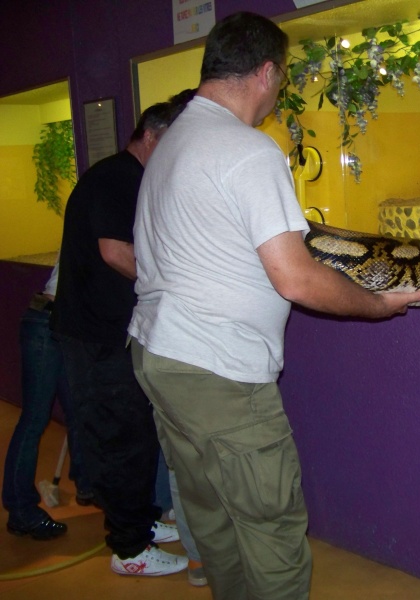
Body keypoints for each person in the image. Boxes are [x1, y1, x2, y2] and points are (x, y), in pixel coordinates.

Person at [128, 12, 420, 599]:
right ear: (267, 73)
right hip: (220, 370)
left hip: (160, 354)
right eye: (283, 79)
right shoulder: (247, 150)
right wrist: (376, 304)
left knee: (214, 521)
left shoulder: (172, 142)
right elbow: (295, 278)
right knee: (271, 528)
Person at [51, 97, 193, 576]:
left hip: (111, 333)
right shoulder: (116, 177)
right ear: (152, 136)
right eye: (172, 145)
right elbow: (115, 253)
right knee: (119, 438)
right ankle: (129, 549)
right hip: (97, 338)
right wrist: (171, 284)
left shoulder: (129, 177)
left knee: (135, 433)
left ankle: (142, 523)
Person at [3, 259, 93, 540]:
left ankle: (88, 485)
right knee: (34, 420)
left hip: (59, 325)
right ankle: (21, 512)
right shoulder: (98, 225)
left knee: (78, 408)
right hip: (48, 323)